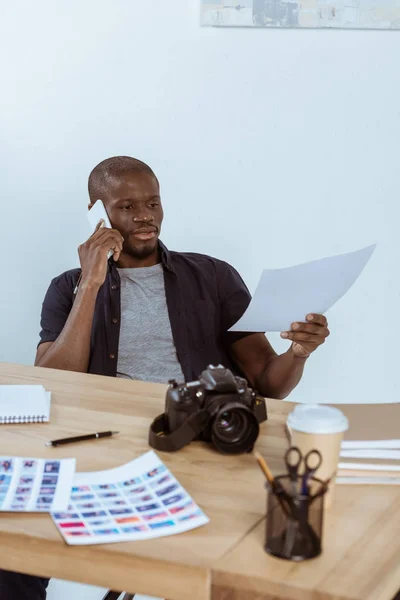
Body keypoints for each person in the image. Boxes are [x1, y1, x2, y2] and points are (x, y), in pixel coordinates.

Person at [0, 156, 330, 599]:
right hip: (101, 445)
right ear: (99, 213)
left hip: (197, 439)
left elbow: (268, 383)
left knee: (282, 540)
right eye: (127, 206)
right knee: (13, 549)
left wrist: (299, 352)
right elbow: (52, 384)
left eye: (153, 203)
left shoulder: (212, 276)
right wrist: (92, 282)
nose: (144, 217)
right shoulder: (68, 288)